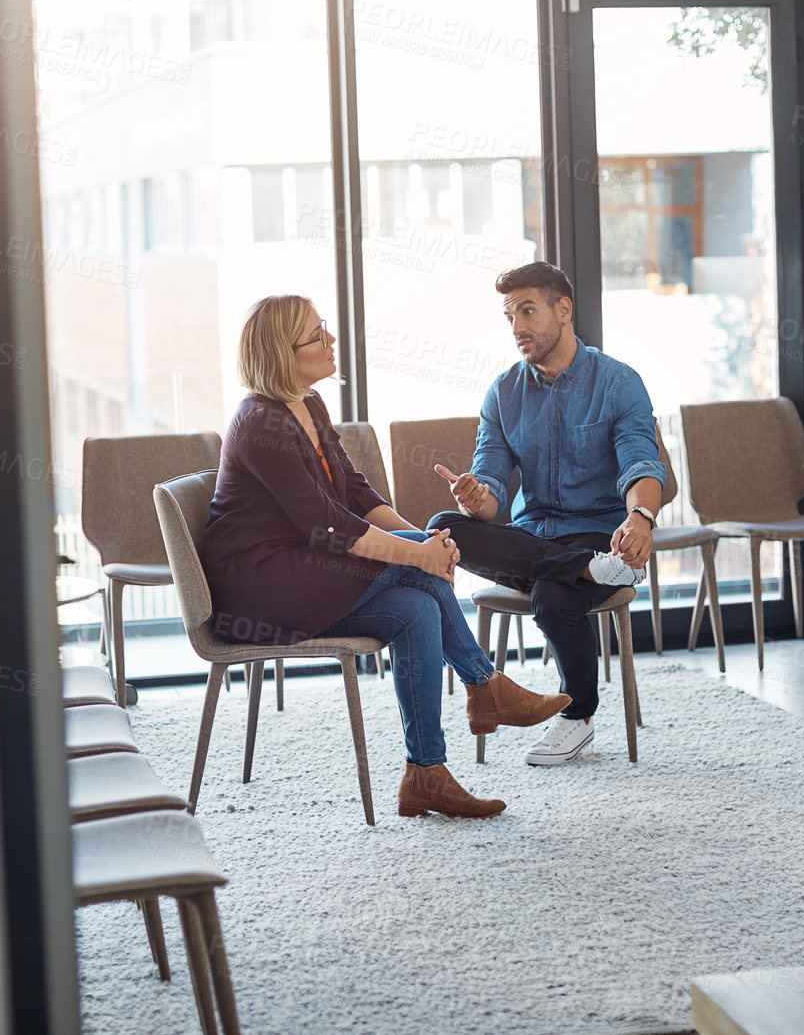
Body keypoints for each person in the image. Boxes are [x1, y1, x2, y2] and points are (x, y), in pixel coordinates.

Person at [201, 294, 571, 818]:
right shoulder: (261, 422)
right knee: (414, 564)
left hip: (307, 572)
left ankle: (427, 773)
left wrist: (421, 538)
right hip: (260, 588)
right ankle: (487, 688)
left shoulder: (307, 404)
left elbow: (355, 494)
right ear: (283, 354)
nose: (331, 341)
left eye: (325, 328)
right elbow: (327, 526)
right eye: (317, 335)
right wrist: (419, 553)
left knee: (417, 609)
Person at [427, 262, 667, 767]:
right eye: (510, 316)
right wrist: (476, 497)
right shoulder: (503, 392)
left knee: (554, 596)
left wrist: (640, 518)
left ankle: (577, 715)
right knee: (442, 527)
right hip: (535, 538)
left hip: (605, 535)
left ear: (564, 310)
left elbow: (641, 462)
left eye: (527, 311)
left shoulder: (618, 382)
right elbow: (491, 489)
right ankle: (582, 567)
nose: (517, 328)